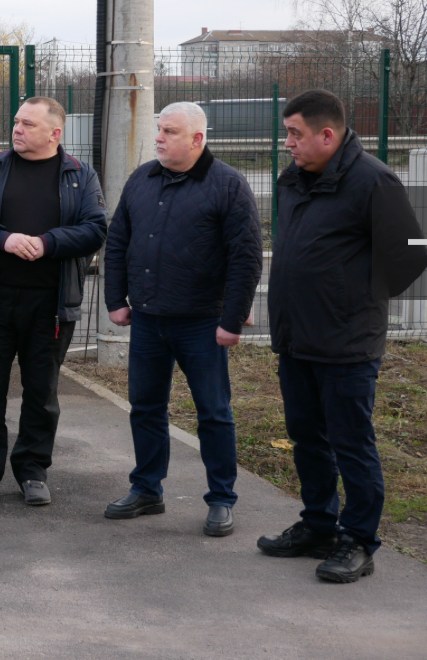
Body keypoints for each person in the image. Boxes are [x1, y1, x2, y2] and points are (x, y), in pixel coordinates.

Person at [259, 89, 427, 583]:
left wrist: (354, 301)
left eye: (295, 134)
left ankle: (358, 540)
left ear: (327, 135)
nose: (287, 142)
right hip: (296, 338)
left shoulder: (374, 181)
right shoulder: (293, 180)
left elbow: (412, 255)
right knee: (307, 438)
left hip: (347, 343)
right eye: (287, 133)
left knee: (351, 443)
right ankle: (318, 526)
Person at [101, 102, 263, 537]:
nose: (158, 137)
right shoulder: (142, 179)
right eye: (158, 129)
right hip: (148, 320)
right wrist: (116, 299)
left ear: (197, 139)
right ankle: (146, 489)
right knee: (145, 408)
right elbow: (118, 241)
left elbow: (246, 257)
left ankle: (221, 499)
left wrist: (231, 320)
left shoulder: (228, 184)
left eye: (169, 131)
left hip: (202, 323)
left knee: (214, 413)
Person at [0, 97, 108, 506]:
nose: (17, 129)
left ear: (55, 133)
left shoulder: (80, 175)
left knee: (41, 393)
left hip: (51, 307)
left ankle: (33, 471)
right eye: (17, 122)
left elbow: (95, 229)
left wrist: (48, 243)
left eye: (27, 124)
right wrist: (3, 238)